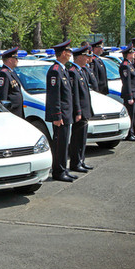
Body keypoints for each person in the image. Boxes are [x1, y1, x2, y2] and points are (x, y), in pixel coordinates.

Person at [45, 40, 76, 183]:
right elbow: (54, 95)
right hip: (61, 115)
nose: (70, 55)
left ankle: (63, 169)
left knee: (64, 144)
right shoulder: (55, 70)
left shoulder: (62, 69)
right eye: (69, 52)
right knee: (59, 144)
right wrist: (57, 115)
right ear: (63, 53)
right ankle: (58, 171)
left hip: (66, 114)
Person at [68, 45, 94, 173]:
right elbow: (75, 94)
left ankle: (81, 161)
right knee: (77, 139)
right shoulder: (73, 71)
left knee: (83, 139)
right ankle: (75, 163)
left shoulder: (81, 71)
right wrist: (78, 111)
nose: (87, 58)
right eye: (85, 56)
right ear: (78, 58)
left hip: (85, 110)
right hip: (80, 111)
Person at [0, 47, 24, 118]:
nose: (17, 60)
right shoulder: (3, 74)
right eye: (16, 59)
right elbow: (3, 96)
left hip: (16, 111)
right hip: (11, 112)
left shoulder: (11, 72)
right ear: (10, 60)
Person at [120, 45, 135, 141]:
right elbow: (127, 82)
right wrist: (129, 97)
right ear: (128, 54)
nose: (134, 54)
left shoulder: (129, 64)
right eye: (132, 53)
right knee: (130, 114)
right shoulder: (125, 65)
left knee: (134, 113)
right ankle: (129, 134)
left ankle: (132, 132)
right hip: (130, 94)